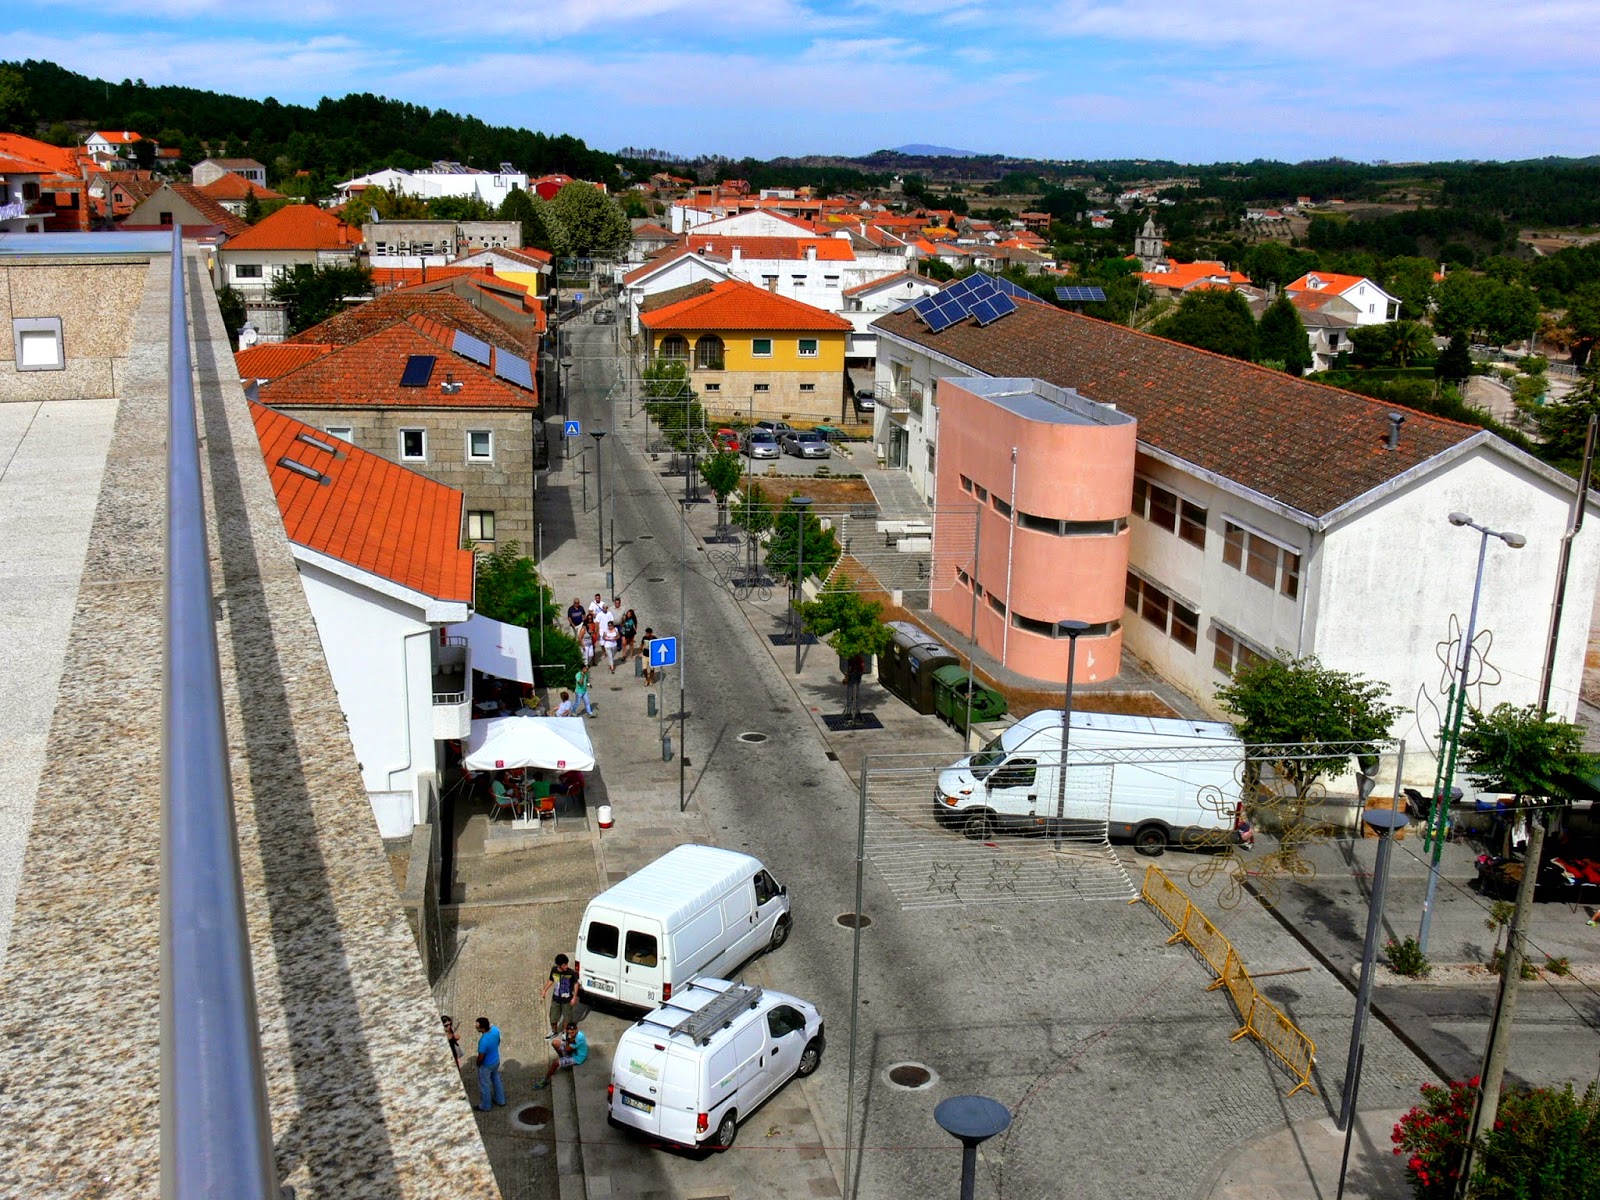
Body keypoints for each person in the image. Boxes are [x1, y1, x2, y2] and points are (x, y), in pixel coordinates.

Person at [532, 1020, 588, 1089]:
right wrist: (569, 1040)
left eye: (572, 1032)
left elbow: (567, 1048)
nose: (571, 1034)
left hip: (578, 1057)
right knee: (554, 1043)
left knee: (555, 1063)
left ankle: (544, 1080)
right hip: (572, 1050)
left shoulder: (579, 1038)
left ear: (577, 1030)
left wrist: (568, 1040)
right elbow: (568, 1043)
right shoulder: (571, 1035)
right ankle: (562, 1058)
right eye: (569, 1033)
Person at [541, 953, 580, 1039]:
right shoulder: (554, 970)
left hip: (567, 1000)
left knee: (567, 1018)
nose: (566, 966)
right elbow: (551, 980)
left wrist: (574, 997)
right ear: (559, 965)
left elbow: (576, 984)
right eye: (564, 965)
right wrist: (544, 990)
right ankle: (554, 1031)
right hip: (556, 999)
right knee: (553, 1018)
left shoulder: (570, 973)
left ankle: (565, 1032)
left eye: (567, 964)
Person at [475, 1016, 505, 1111]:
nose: (476, 1027)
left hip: (486, 1065)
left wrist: (478, 1064)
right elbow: (499, 1040)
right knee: (496, 1079)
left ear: (482, 1028)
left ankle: (486, 1106)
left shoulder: (483, 1041)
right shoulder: (495, 1030)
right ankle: (501, 1100)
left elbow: (481, 1056)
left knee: (485, 1085)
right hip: (496, 1060)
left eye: (477, 1027)